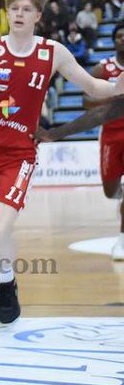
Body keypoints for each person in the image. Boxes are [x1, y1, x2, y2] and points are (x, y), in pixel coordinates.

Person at [0, 0, 124, 326]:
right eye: (14, 8)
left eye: (26, 9)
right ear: (7, 12)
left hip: (19, 153)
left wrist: (118, 85)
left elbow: (92, 86)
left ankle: (8, 283)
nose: (19, 14)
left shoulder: (52, 52)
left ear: (38, 16)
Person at [40, 22, 124, 259]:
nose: (123, 40)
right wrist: (112, 97)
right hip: (110, 135)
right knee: (110, 192)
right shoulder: (103, 67)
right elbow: (86, 100)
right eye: (119, 36)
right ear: (114, 40)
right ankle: (121, 204)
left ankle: (121, 241)